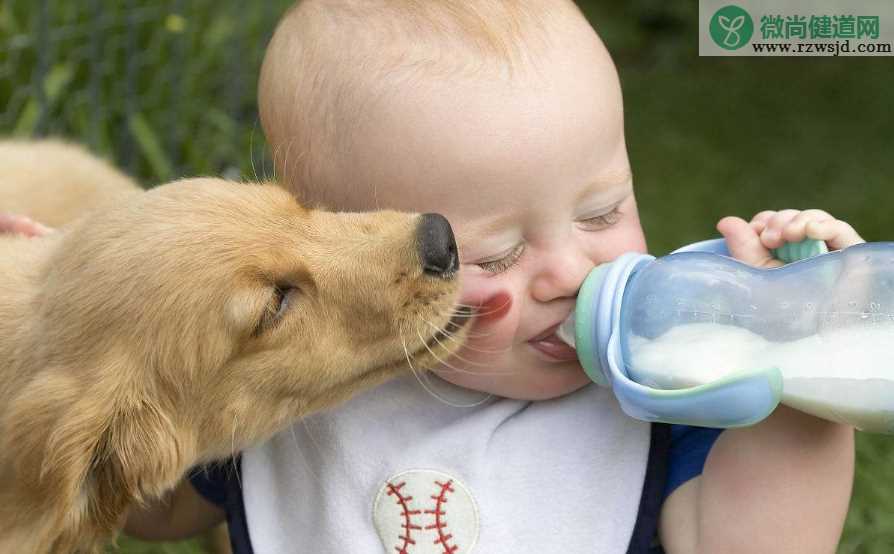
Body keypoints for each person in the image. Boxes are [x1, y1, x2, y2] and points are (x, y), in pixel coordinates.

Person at [95, 0, 860, 551]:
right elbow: (153, 512)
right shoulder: (299, 395)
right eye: (493, 256)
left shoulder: (663, 387)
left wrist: (793, 362)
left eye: (602, 213)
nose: (571, 271)